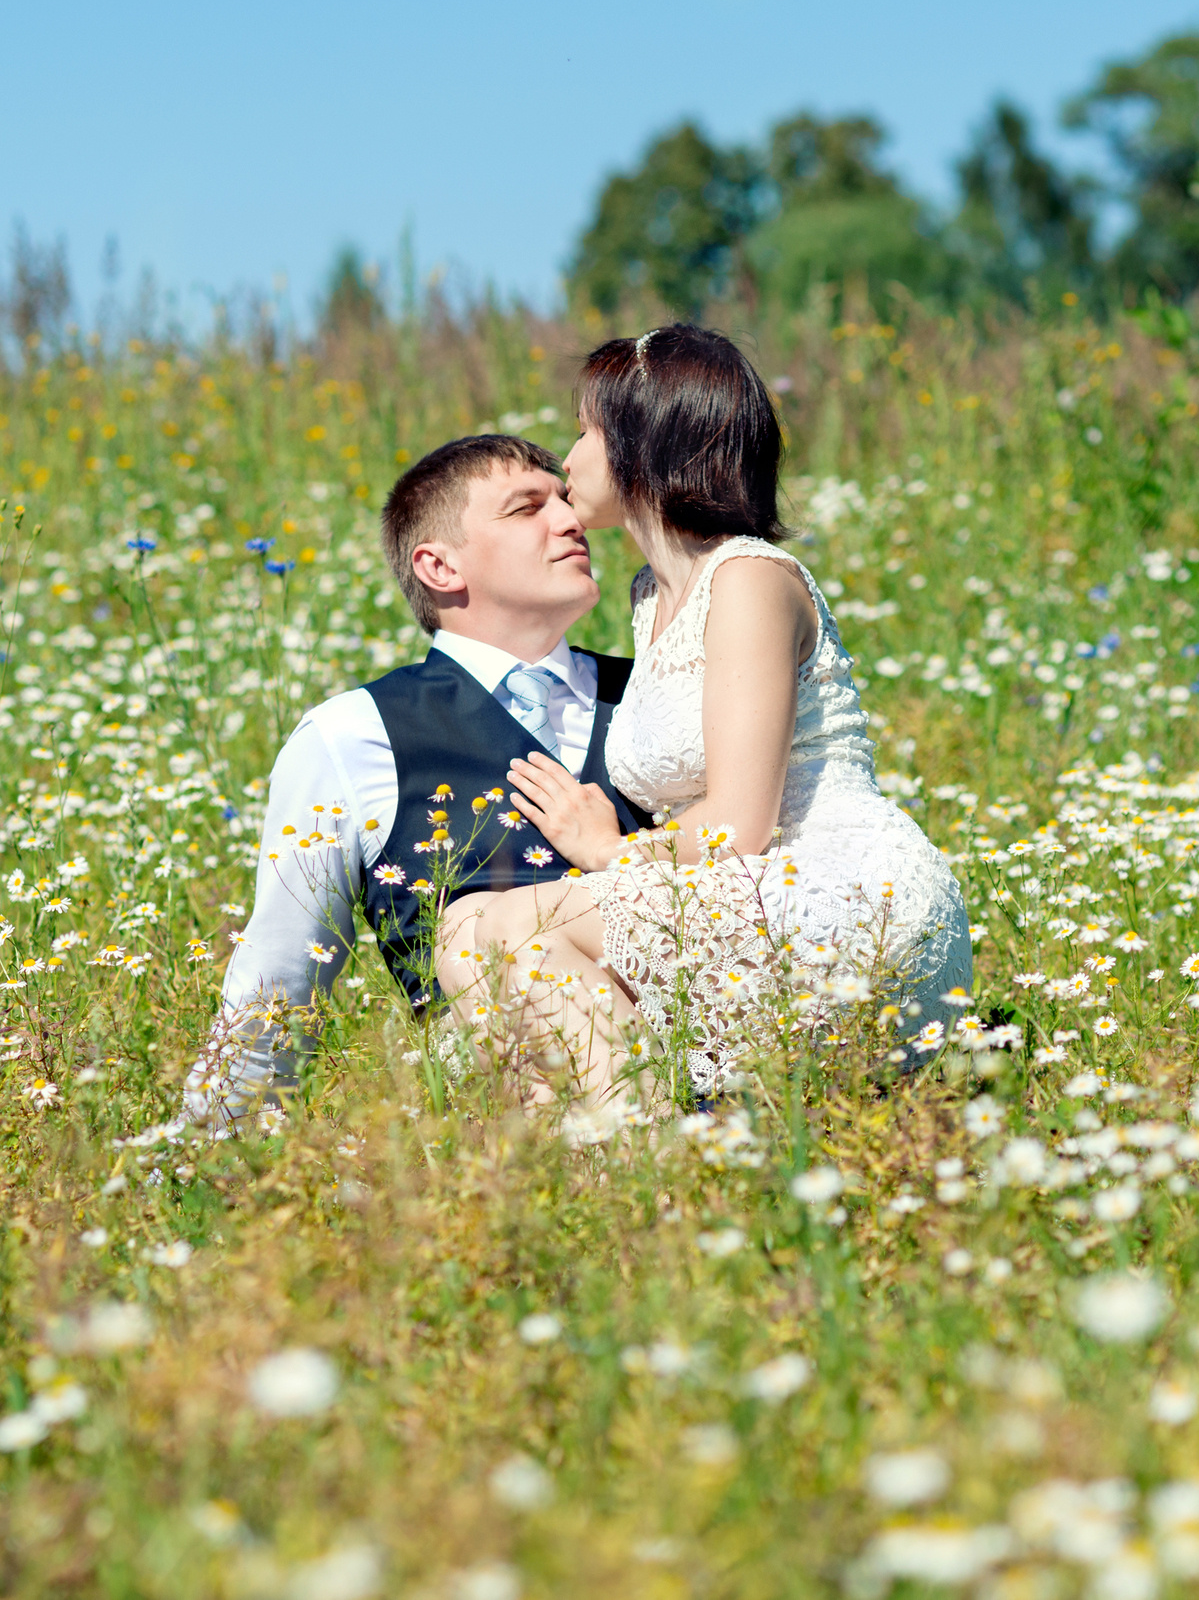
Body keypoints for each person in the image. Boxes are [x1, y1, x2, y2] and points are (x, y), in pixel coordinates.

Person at [438, 324, 974, 1117]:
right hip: (739, 897)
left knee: (506, 928)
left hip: (837, 892)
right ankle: (612, 1166)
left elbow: (741, 825)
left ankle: (652, 1172)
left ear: (640, 444)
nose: (569, 457)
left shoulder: (751, 577)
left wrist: (614, 852)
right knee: (468, 935)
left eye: (585, 432)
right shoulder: (649, 600)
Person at [179, 433, 652, 1136]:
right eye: (526, 509)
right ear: (438, 565)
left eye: (563, 498)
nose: (569, 519)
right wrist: (198, 1170)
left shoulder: (656, 696)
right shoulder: (353, 736)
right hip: (511, 1143)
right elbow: (279, 986)